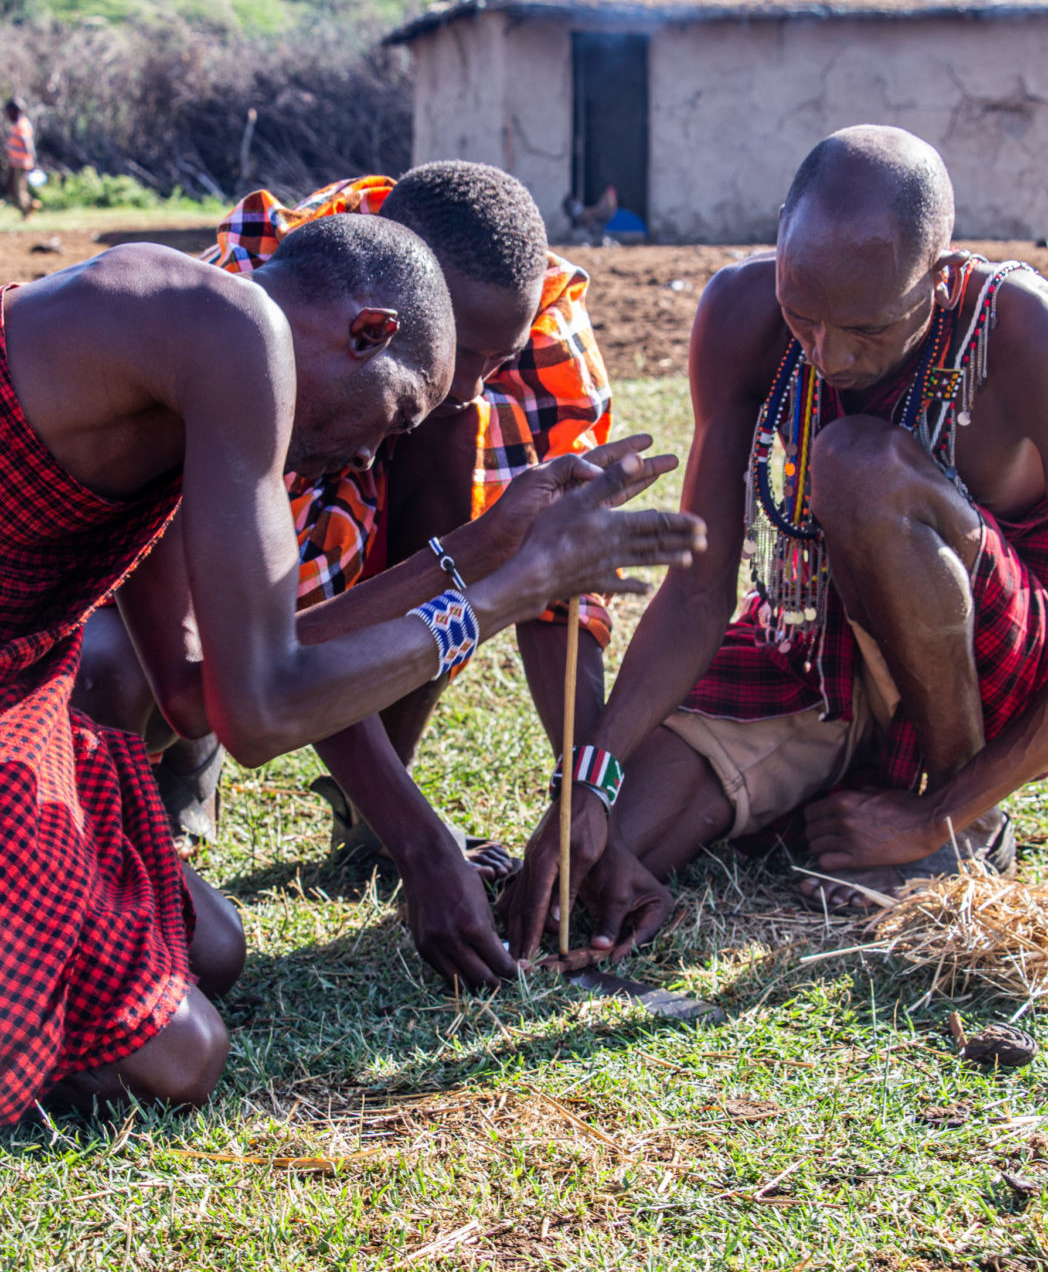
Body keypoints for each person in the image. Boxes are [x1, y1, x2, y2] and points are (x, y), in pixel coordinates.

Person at [3, 212, 703, 1119]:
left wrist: (485, 549)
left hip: (21, 688)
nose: (375, 454)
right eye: (399, 414)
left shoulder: (194, 357)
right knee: (181, 1061)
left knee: (212, 951)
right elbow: (256, 719)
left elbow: (193, 691)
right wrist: (500, 597)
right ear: (371, 331)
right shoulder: (232, 332)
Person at [504, 123, 1048, 963]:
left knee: (857, 464)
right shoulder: (741, 314)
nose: (825, 354)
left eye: (865, 329)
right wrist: (592, 783)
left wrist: (935, 816)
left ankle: (962, 830)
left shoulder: (1018, 332)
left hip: (989, 659)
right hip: (808, 649)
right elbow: (697, 589)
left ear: (937, 283)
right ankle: (850, 782)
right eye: (804, 314)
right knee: (599, 862)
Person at [180, 163, 615, 984]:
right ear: (376, 323)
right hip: (196, 603)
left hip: (281, 618)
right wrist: (421, 846)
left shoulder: (526, 305)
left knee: (452, 428)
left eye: (501, 354)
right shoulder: (264, 309)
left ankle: (372, 801)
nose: (478, 380)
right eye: (470, 353)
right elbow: (275, 658)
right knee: (167, 691)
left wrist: (584, 791)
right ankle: (174, 763)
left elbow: (565, 579)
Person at [3, 96, 40, 218]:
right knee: (13, 189)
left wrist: (34, 161)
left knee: (17, 190)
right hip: (16, 162)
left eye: (8, 111)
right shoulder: (18, 124)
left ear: (15, 111)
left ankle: (27, 210)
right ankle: (29, 205)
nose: (7, 114)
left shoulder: (21, 125)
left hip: (21, 163)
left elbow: (28, 144)